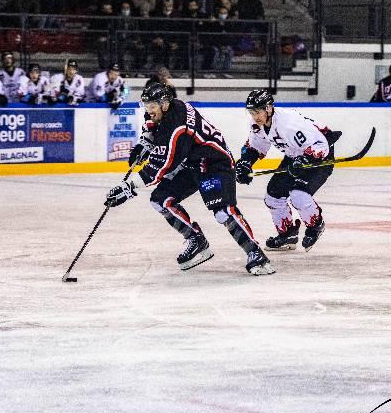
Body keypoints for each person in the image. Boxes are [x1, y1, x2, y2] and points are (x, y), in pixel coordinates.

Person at [105, 82, 275, 275]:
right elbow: (151, 124)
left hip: (215, 163)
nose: (149, 111)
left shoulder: (178, 128)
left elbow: (158, 169)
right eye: (147, 106)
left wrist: (128, 187)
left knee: (222, 212)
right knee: (160, 200)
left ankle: (256, 253)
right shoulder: (167, 108)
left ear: (164, 104)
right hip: (191, 162)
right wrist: (144, 143)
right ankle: (196, 240)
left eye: (152, 106)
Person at [235, 89, 340, 253]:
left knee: (299, 194)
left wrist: (305, 160)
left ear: (268, 108)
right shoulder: (258, 125)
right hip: (295, 155)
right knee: (273, 196)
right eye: (251, 112)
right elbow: (256, 146)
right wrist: (245, 163)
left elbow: (320, 145)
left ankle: (315, 225)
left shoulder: (288, 124)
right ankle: (287, 234)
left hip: (320, 157)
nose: (254, 116)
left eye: (257, 111)